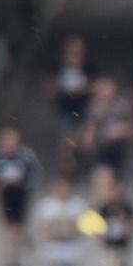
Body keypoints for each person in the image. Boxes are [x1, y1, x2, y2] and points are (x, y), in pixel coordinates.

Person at [0, 128, 44, 266]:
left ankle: (17, 249)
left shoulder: (26, 157)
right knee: (9, 226)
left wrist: (23, 183)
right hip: (6, 195)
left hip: (21, 194)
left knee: (18, 225)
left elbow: (35, 175)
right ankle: (10, 258)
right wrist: (1, 183)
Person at [51, 36, 95, 173]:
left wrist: (78, 89)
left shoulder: (89, 66)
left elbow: (94, 85)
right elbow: (51, 87)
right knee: (67, 136)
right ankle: (68, 163)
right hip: (66, 108)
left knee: (82, 139)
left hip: (84, 107)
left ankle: (76, 158)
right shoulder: (59, 66)